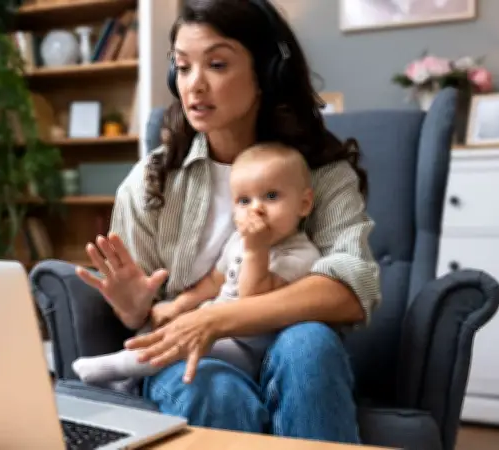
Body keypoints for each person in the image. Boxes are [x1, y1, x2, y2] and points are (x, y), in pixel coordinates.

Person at [74, 0, 380, 444]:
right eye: (182, 68)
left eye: (216, 64)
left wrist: (220, 319)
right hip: (194, 359)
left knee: (309, 344)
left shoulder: (322, 173)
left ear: (266, 73)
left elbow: (352, 289)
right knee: (207, 383)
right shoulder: (150, 181)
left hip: (287, 346)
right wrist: (132, 304)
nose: (194, 85)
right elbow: (144, 316)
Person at [72, 143, 321, 386]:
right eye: (244, 201)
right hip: (213, 322)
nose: (256, 209)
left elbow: (252, 300)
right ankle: (128, 380)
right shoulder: (237, 239)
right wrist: (179, 305)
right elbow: (215, 280)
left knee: (178, 345)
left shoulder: (301, 255)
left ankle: (116, 368)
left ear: (304, 204)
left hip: (249, 345)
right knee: (163, 321)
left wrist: (257, 249)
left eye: (271, 196)